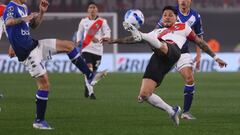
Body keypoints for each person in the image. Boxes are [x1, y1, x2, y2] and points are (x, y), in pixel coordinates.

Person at [103, 6, 227, 126]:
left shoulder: (183, 27)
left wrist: (215, 57)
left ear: (176, 17)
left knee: (161, 44)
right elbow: (132, 40)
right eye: (164, 15)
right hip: (158, 58)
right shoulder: (157, 31)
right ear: (162, 18)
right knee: (144, 95)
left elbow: (200, 42)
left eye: (170, 15)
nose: (167, 17)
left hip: (173, 51)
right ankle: (171, 110)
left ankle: (141, 34)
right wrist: (113, 40)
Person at [3, 0, 107, 130]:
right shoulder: (11, 7)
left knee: (69, 45)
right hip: (28, 53)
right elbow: (8, 22)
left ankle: (90, 75)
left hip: (35, 45)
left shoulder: (23, 7)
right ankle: (39, 121)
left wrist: (41, 13)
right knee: (44, 85)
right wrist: (24, 18)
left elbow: (34, 25)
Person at [156, 0, 204, 119]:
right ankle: (145, 94)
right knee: (154, 82)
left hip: (183, 52)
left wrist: (199, 55)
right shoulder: (171, 12)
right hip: (166, 50)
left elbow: (199, 36)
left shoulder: (196, 16)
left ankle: (186, 113)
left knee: (189, 78)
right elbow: (157, 29)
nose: (183, 1)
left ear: (190, 1)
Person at [76, 2, 111, 99]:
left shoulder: (102, 22)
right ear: (88, 10)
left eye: (94, 7)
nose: (92, 9)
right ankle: (91, 93)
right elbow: (80, 32)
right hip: (86, 49)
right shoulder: (83, 21)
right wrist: (78, 41)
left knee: (93, 73)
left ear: (97, 9)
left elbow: (107, 33)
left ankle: (87, 86)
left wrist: (104, 38)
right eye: (90, 7)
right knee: (89, 69)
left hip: (98, 50)